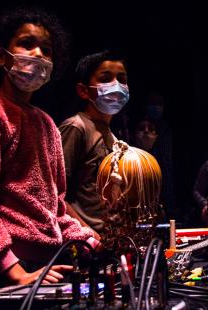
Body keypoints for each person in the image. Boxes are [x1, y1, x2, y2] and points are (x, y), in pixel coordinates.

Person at [0, 7, 99, 309]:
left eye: (47, 49)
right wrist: (14, 271)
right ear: (1, 56)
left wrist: (89, 240)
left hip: (46, 267)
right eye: (27, 44)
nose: (39, 54)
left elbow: (53, 208)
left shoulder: (46, 124)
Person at [59, 50, 130, 233]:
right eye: (106, 79)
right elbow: (56, 194)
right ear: (83, 90)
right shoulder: (76, 127)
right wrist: (88, 235)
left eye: (121, 79)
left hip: (111, 241)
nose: (116, 85)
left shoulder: (113, 137)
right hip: (87, 245)